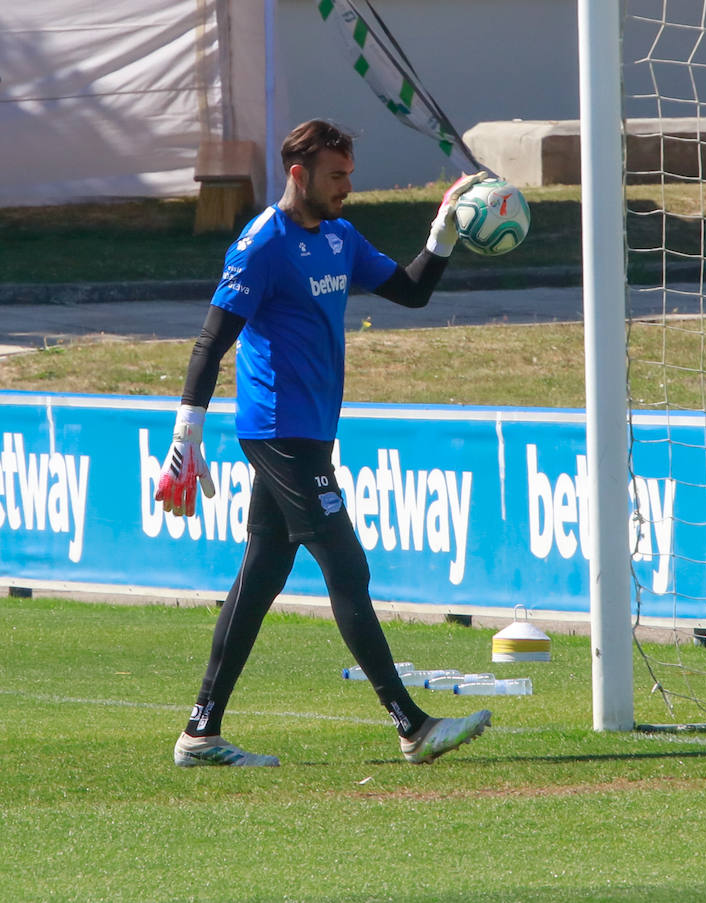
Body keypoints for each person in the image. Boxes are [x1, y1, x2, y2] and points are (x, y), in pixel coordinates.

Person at [159, 119, 492, 765]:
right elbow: (211, 341)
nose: (346, 188)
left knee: (260, 578)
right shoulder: (262, 244)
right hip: (279, 432)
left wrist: (442, 234)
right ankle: (412, 724)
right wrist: (186, 433)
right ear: (298, 174)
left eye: (349, 175)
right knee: (347, 565)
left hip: (308, 432)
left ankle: (200, 731)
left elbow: (412, 291)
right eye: (336, 176)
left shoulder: (339, 237)